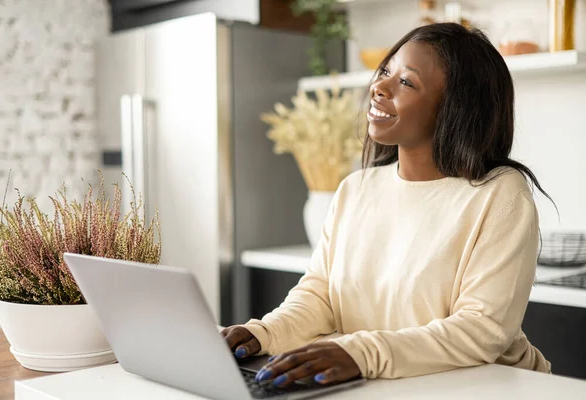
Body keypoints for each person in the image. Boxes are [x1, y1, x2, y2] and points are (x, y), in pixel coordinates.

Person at [222, 22, 553, 387]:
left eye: (406, 82)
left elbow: (480, 330)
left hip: (495, 388)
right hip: (393, 385)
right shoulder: (355, 189)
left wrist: (361, 353)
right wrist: (265, 333)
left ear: (455, 109)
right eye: (384, 72)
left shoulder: (500, 195)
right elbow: (320, 295)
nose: (378, 87)